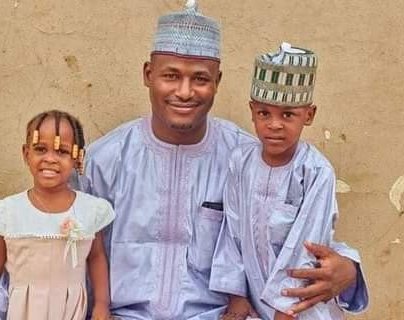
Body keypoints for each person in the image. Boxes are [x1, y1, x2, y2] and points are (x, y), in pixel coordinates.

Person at [80, 1, 368, 319]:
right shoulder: (104, 159)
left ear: (218, 81)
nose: (185, 92)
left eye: (200, 79)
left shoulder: (248, 159)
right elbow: (67, 244)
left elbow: (292, 235)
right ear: (148, 74)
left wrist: (348, 269)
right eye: (171, 76)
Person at [209, 43, 367, 320]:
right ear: (252, 111)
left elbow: (306, 244)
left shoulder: (315, 170)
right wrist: (236, 296)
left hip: (301, 306)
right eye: (264, 113)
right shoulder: (240, 162)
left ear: (309, 115)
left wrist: (287, 310)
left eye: (288, 114)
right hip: (254, 303)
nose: (274, 125)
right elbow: (231, 232)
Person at [0, 110, 115, 320]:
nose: (50, 159)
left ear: (77, 157)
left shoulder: (90, 210)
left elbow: (97, 258)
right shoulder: (9, 212)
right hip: (22, 310)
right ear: (26, 154)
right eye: (40, 149)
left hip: (69, 309)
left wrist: (101, 304)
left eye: (61, 151)